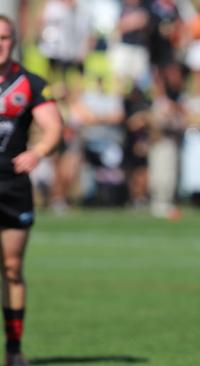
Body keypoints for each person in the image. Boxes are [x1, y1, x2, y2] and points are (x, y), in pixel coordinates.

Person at [0, 15, 63, 366]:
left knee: (11, 268)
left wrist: (38, 151)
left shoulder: (30, 83)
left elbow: (53, 126)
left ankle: (13, 350)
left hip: (11, 185)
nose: (0, 43)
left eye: (6, 37)